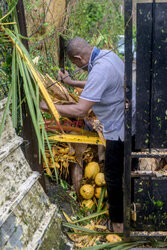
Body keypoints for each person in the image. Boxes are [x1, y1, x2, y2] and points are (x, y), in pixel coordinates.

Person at [40, 37, 136, 233]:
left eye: (75, 64)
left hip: (118, 129)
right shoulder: (108, 56)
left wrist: (49, 107)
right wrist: (71, 82)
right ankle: (133, 212)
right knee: (128, 171)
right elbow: (98, 82)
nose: (77, 66)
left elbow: (81, 110)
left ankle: (118, 224)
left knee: (113, 175)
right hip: (130, 122)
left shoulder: (99, 69)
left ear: (78, 58)